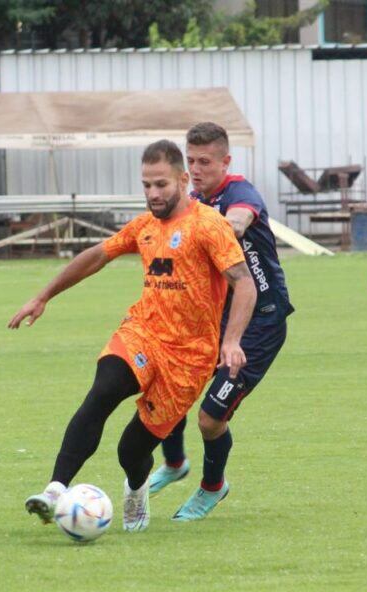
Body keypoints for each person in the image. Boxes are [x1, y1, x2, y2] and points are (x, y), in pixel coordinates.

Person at [10, 140, 256, 532]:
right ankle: (55, 489)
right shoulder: (143, 227)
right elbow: (96, 256)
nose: (153, 194)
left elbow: (245, 285)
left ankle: (137, 490)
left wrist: (231, 341)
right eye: (146, 185)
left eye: (160, 184)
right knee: (103, 390)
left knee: (132, 449)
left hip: (189, 357)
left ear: (181, 179)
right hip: (143, 333)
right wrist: (43, 296)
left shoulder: (209, 225)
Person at [148, 122, 294, 520]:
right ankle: (175, 463)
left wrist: (207, 231)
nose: (196, 169)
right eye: (191, 160)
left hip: (261, 323)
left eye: (205, 162)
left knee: (211, 419)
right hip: (218, 319)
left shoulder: (240, 193)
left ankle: (213, 488)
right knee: (172, 389)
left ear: (225, 161)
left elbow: (238, 222)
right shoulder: (193, 199)